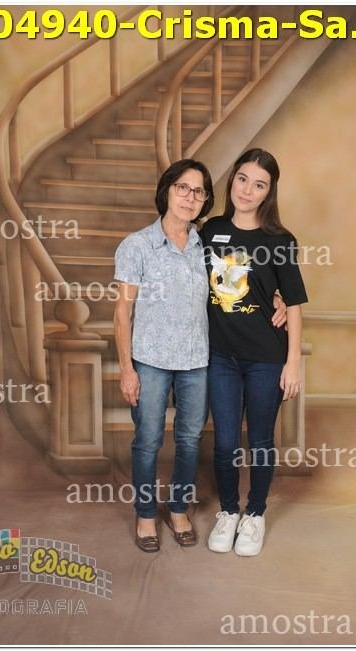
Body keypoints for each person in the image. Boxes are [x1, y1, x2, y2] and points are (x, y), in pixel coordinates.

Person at [199, 148, 308, 557]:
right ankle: (229, 511)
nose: (247, 190)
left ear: (268, 192)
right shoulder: (210, 230)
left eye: (259, 184)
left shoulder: (280, 240)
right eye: (242, 179)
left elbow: (293, 304)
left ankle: (255, 514)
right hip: (220, 358)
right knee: (225, 442)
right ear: (233, 180)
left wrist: (292, 363)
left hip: (266, 359)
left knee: (260, 440)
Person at [113, 159, 214, 552]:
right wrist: (127, 369)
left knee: (189, 439)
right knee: (148, 439)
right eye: (182, 188)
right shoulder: (137, 245)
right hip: (150, 359)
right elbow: (122, 311)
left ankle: (178, 509)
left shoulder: (207, 247)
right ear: (167, 190)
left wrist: (275, 296)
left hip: (196, 360)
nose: (190, 197)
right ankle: (144, 514)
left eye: (199, 191)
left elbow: (238, 284)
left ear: (205, 200)